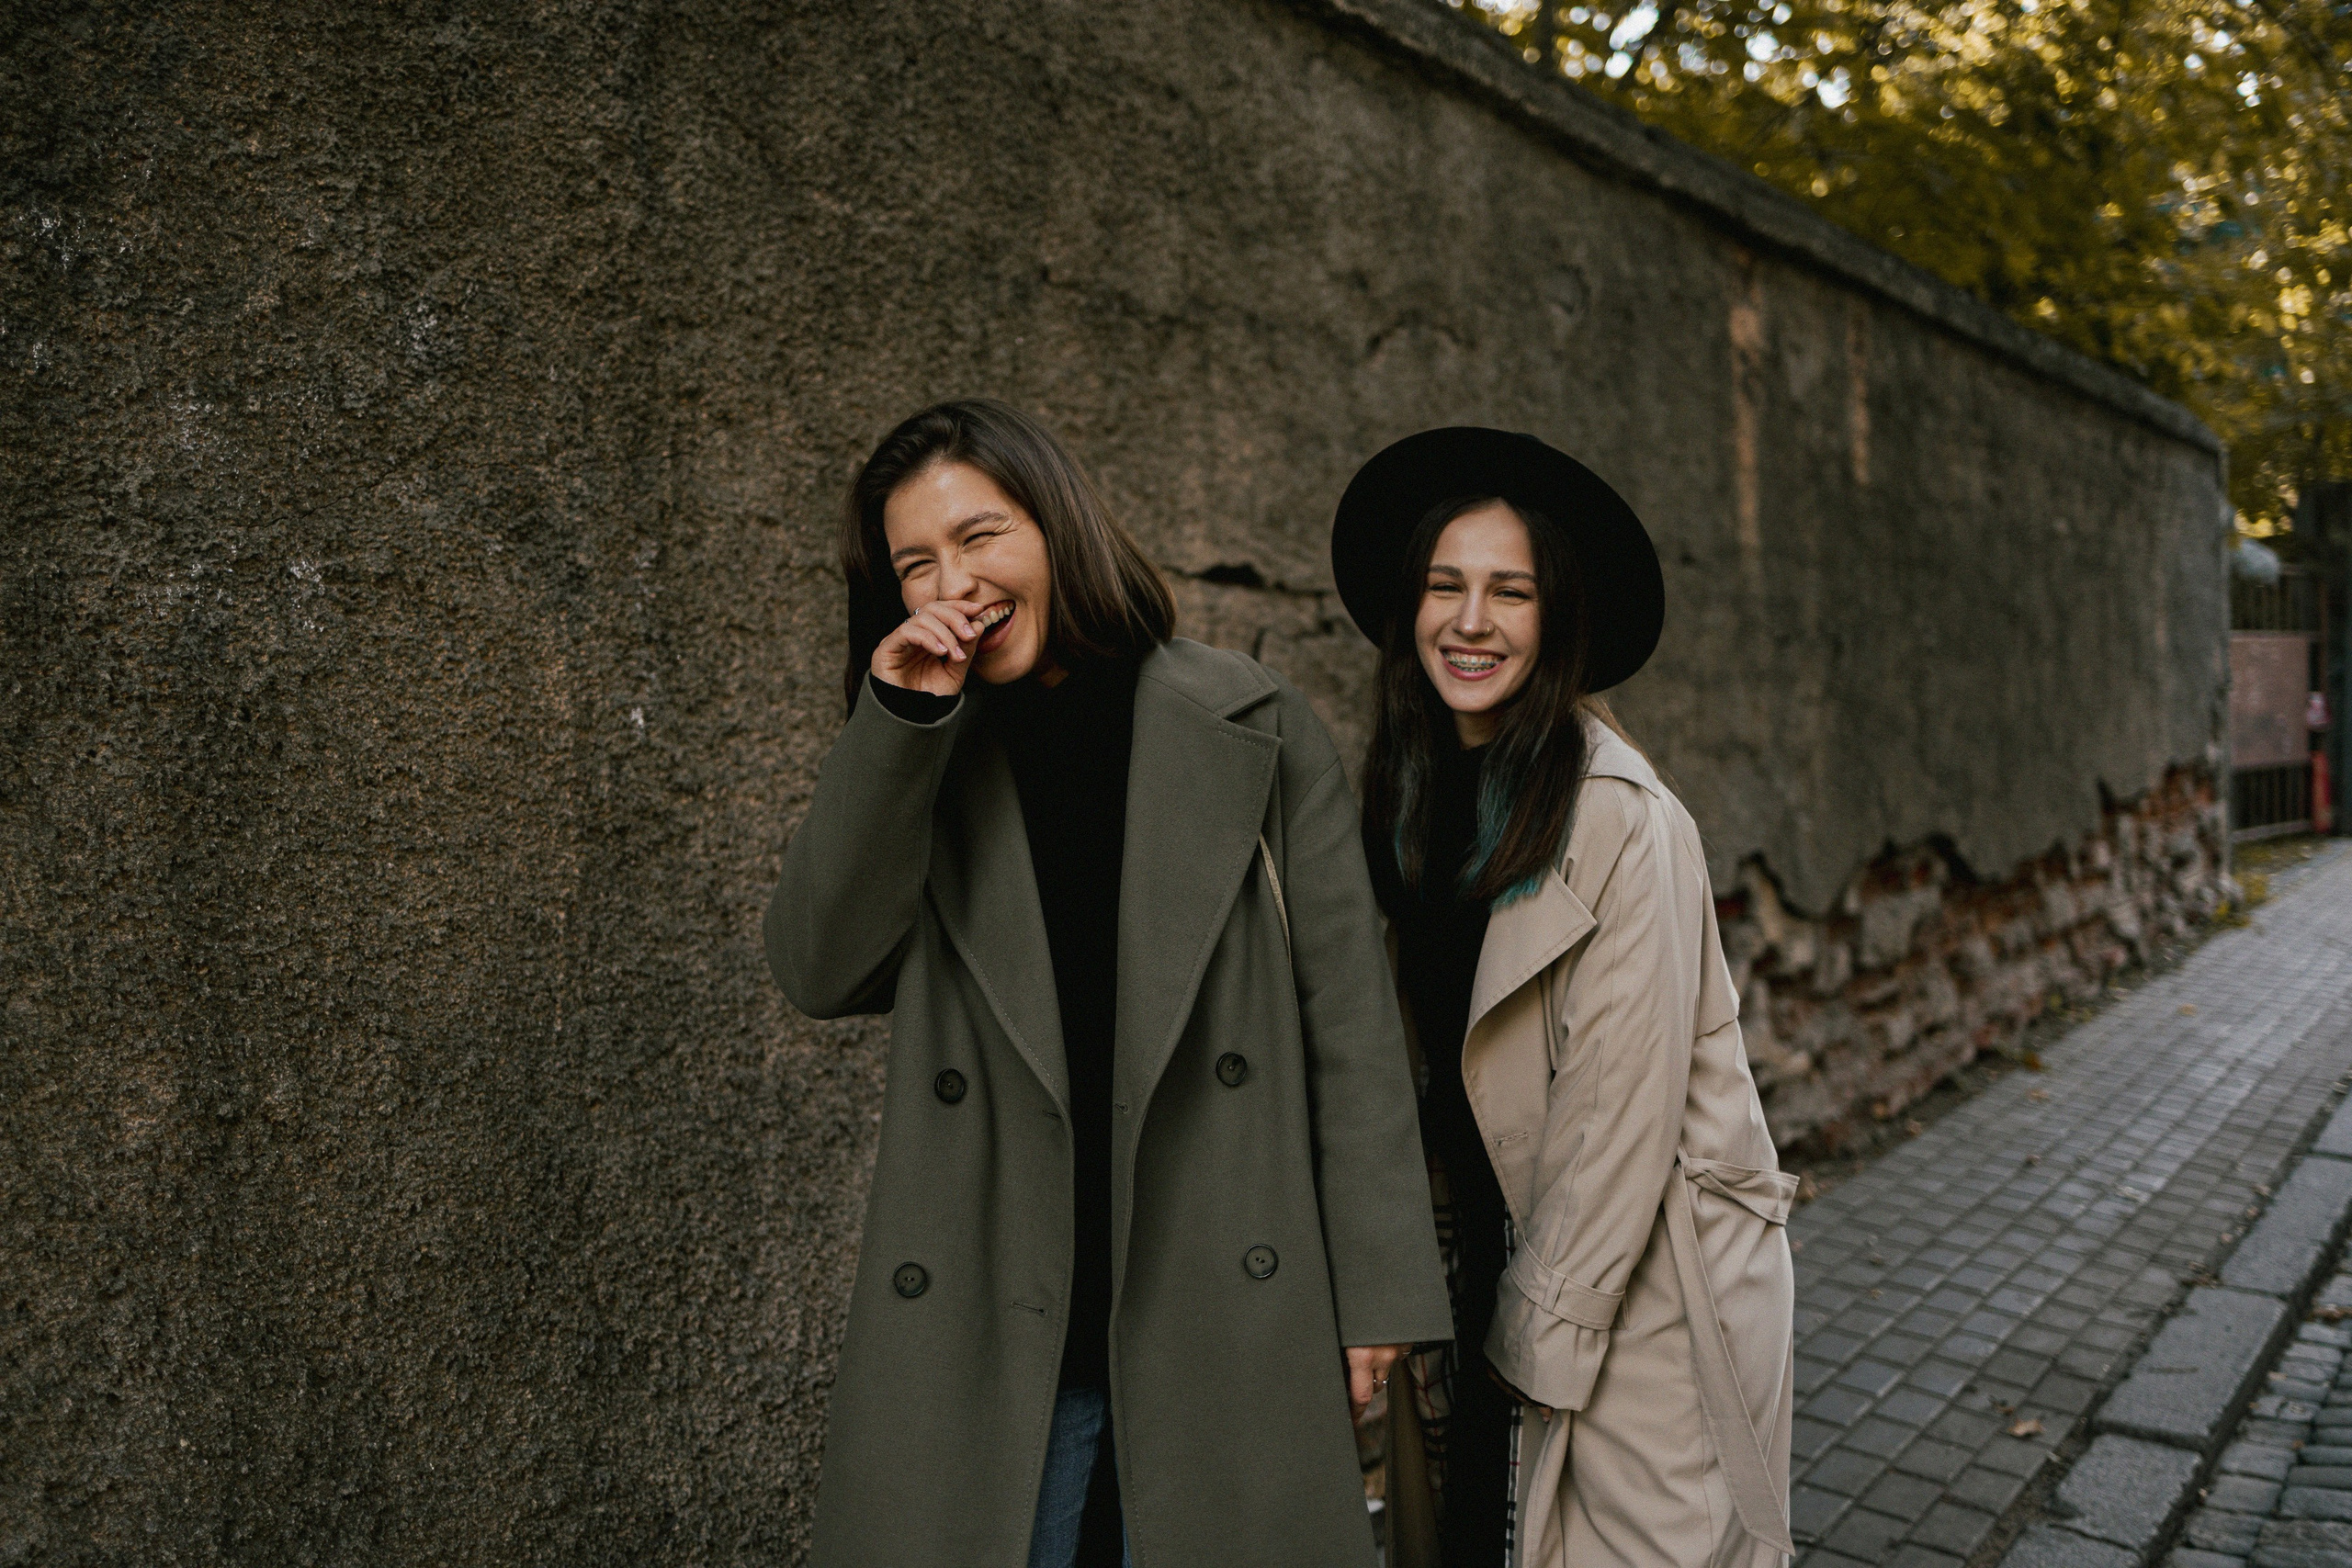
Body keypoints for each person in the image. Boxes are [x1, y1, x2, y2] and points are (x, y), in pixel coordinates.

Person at [767, 399, 1452, 1568]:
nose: (953, 583)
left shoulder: (1253, 721)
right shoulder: (924, 753)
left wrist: (1379, 1291)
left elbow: (1348, 1022)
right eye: (916, 563)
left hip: (1221, 1297)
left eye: (981, 535)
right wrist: (897, 724)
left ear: (1057, 528)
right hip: (1000, 1319)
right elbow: (820, 970)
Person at [1332, 428, 1798, 1568]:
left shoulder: (1620, 818)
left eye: (1511, 591)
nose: (1471, 621)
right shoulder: (1407, 795)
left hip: (1633, 1274)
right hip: (1480, 1244)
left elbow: (1616, 1115)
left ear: (1555, 618)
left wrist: (1538, 1338)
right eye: (1443, 586)